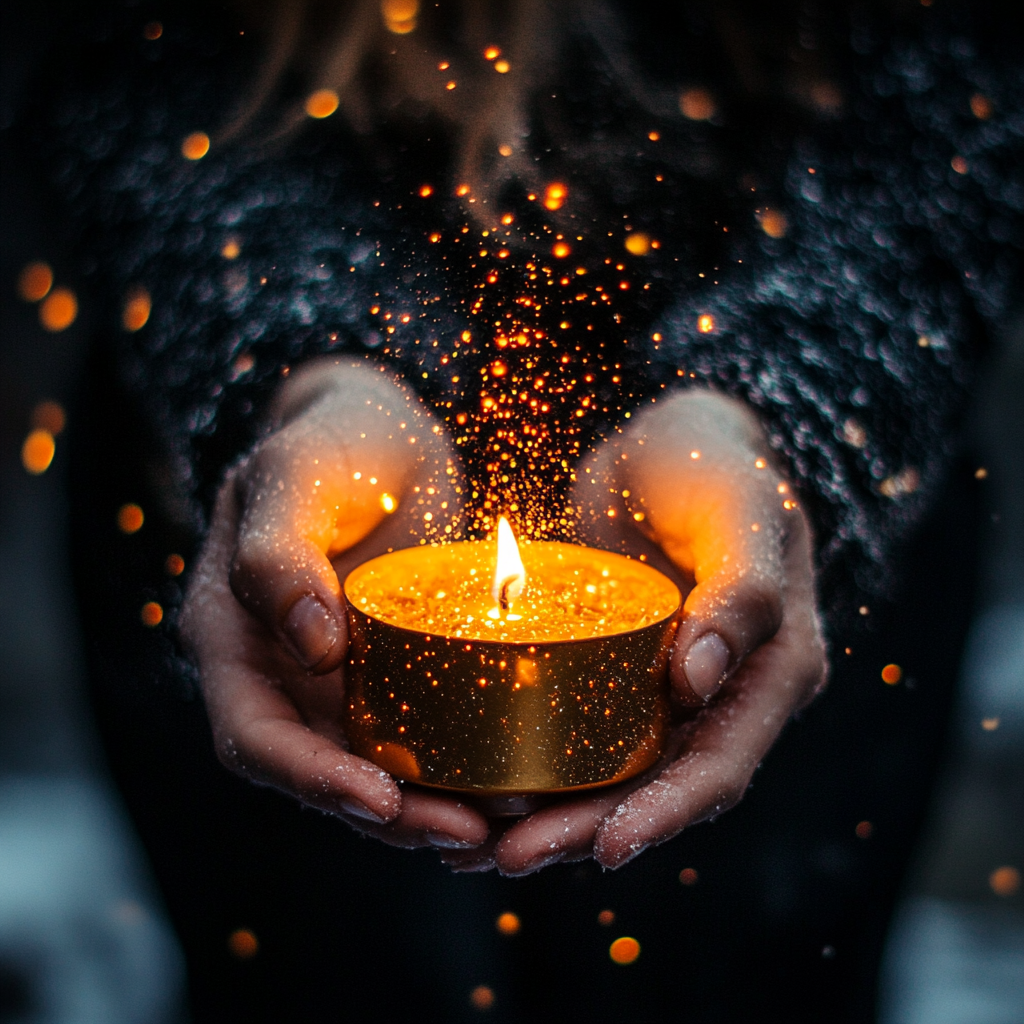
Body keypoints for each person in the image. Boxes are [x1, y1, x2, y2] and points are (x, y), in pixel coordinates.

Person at [27, 0, 1021, 1019]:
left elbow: (969, 97)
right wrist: (297, 365)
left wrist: (782, 411)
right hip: (282, 514)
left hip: (767, 532)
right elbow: (123, 66)